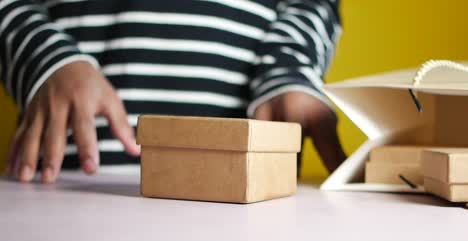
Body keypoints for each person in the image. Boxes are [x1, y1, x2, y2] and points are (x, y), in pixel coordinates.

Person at [1, 0, 346, 183]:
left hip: (237, 192)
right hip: (67, 176)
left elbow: (312, 4)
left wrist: (287, 73)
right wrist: (45, 58)